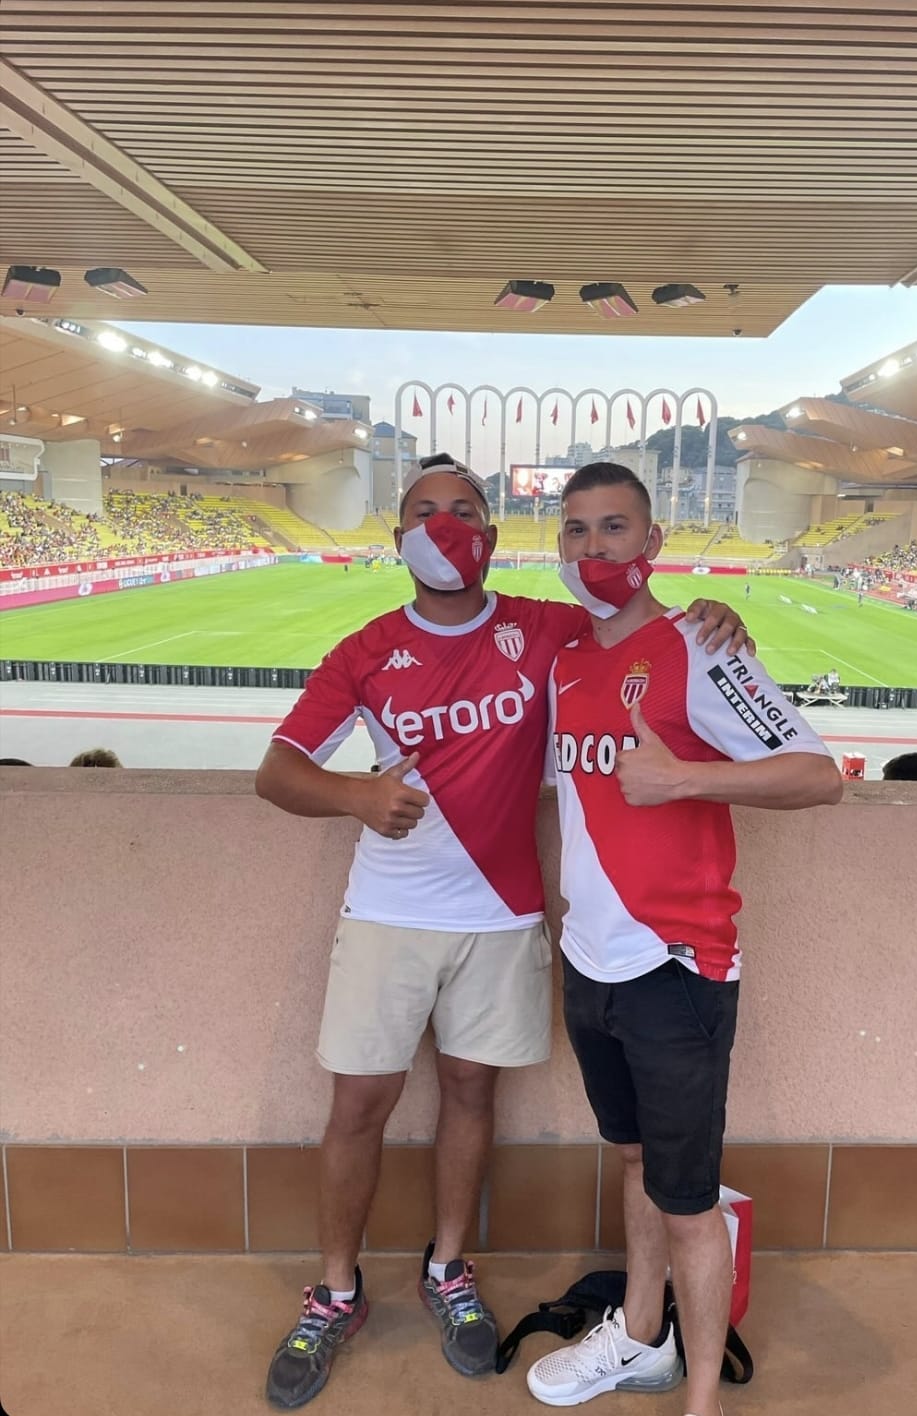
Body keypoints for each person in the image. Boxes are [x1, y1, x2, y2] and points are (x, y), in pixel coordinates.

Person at [253, 453, 750, 1411]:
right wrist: (355, 796)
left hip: (503, 915)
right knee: (358, 1103)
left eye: (464, 510)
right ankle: (336, 1290)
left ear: (491, 532)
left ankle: (449, 1268)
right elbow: (277, 771)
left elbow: (641, 626)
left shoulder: (545, 627)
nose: (445, 527)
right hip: (388, 911)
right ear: (397, 535)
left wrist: (717, 618)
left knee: (472, 1094)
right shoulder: (366, 649)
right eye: (424, 511)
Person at [529, 462, 841, 1416]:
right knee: (634, 1161)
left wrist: (687, 780)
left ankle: (702, 1398)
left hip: (676, 966)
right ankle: (639, 1338)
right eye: (577, 529)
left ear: (653, 541)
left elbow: (818, 775)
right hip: (591, 963)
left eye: (614, 527)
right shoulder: (565, 661)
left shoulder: (702, 646)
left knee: (690, 1202)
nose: (594, 547)